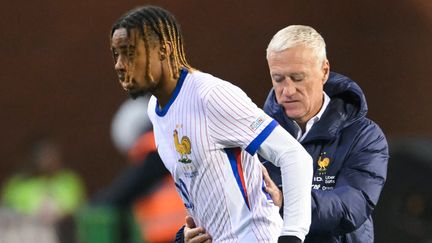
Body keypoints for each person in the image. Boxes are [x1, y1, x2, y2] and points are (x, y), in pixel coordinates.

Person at [110, 5, 313, 243]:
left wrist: (292, 234)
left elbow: (294, 155)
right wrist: (185, 236)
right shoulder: (155, 110)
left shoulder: (210, 96)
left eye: (130, 53)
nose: (120, 65)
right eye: (116, 55)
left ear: (163, 50)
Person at [183, 25, 389, 243]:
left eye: (298, 78)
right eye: (278, 79)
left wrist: (285, 200)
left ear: (324, 71)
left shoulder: (364, 136)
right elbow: (221, 202)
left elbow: (352, 206)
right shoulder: (252, 133)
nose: (288, 91)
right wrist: (190, 235)